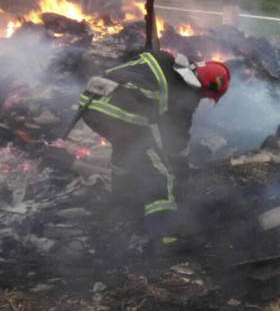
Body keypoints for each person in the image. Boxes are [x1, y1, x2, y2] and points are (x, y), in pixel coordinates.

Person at [77, 49, 231, 252]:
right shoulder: (186, 92)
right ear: (205, 87)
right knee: (158, 172)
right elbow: (175, 140)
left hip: (89, 103)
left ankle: (121, 200)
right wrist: (181, 170)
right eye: (205, 96)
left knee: (126, 151)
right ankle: (164, 237)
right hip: (121, 114)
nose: (201, 98)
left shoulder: (163, 57)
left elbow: (129, 58)